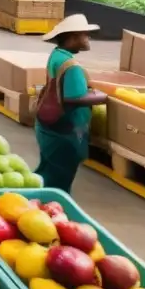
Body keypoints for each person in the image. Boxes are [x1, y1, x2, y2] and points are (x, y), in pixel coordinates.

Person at [34, 14, 108, 193]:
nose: (88, 38)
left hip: (49, 126)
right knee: (59, 179)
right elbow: (73, 98)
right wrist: (101, 97)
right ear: (73, 37)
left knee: (48, 171)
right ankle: (49, 206)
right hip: (65, 129)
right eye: (85, 35)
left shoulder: (57, 55)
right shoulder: (71, 65)